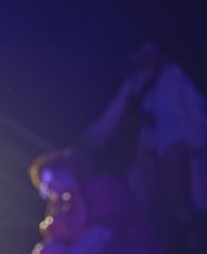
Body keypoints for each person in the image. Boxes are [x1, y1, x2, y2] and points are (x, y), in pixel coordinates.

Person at [84, 41, 207, 253]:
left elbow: (195, 114)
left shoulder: (174, 77)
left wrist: (196, 142)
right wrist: (85, 143)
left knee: (182, 210)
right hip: (147, 165)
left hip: (179, 155)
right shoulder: (134, 85)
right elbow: (110, 120)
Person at [28, 149, 158, 254]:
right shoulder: (64, 208)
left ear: (67, 167)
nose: (49, 188)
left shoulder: (101, 187)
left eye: (48, 177)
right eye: (44, 188)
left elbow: (101, 234)